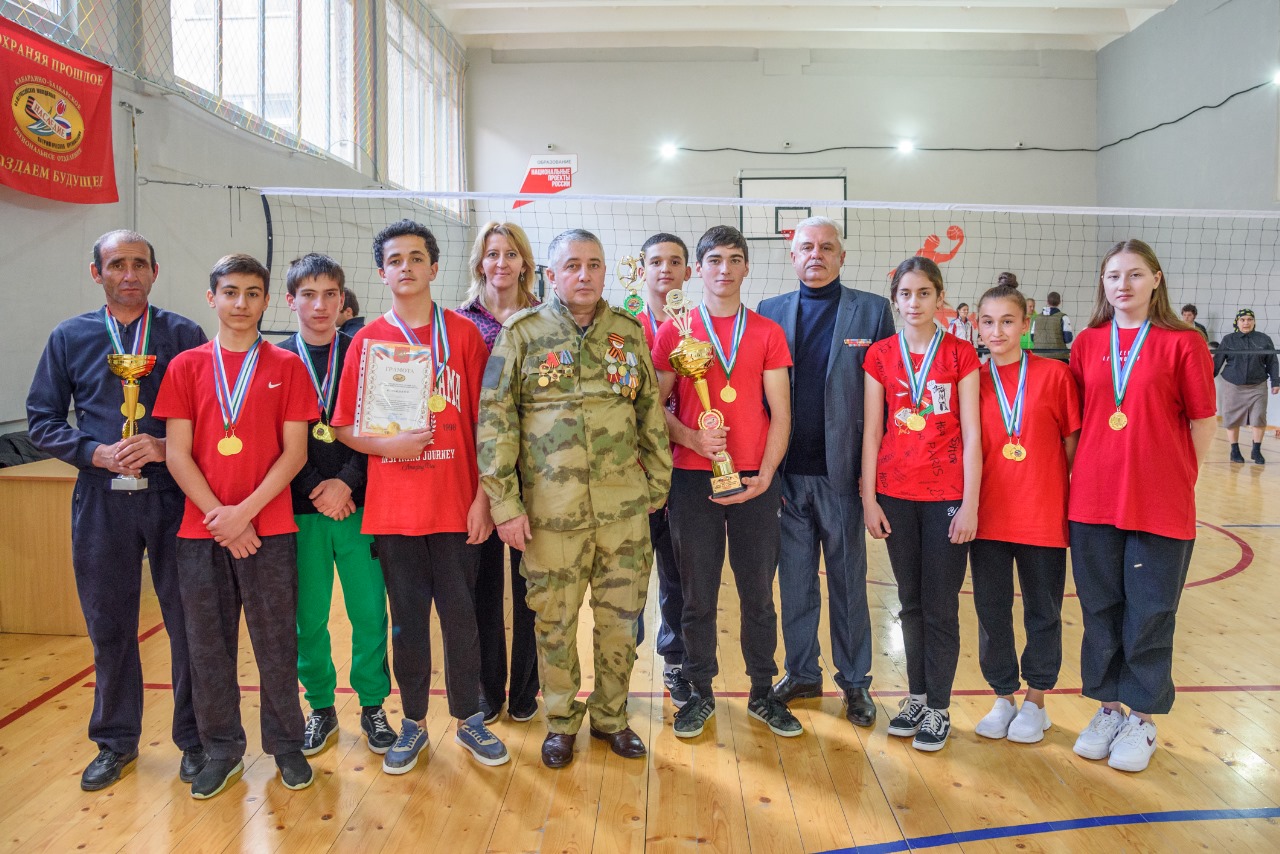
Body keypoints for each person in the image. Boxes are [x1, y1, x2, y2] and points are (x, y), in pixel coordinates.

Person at [478, 228, 672, 769]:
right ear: (552, 274)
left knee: (620, 623)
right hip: (550, 517)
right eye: (572, 266)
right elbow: (495, 422)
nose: (583, 275)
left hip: (624, 514)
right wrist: (505, 505)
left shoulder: (627, 333)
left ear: (606, 271)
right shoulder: (521, 333)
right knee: (554, 624)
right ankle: (561, 720)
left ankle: (612, 717)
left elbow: (649, 415)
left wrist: (657, 485)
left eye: (594, 264)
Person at [26, 230, 208, 792]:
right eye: (116, 264)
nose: (128, 273)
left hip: (173, 495)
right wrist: (94, 451)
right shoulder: (69, 337)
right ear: (96, 273)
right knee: (109, 624)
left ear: (155, 271)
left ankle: (196, 739)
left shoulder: (183, 334)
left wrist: (161, 445)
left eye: (138, 264)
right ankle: (114, 741)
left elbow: (211, 413)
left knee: (188, 623)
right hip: (101, 499)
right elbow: (42, 420)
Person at [331, 219, 509, 774]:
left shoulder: (464, 335)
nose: (405, 267)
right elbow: (343, 427)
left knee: (464, 619)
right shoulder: (365, 339)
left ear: (435, 268)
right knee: (406, 622)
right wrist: (390, 442)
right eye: (394, 259)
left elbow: (489, 424)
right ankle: (411, 722)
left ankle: (469, 719)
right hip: (395, 510)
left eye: (415, 257)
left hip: (457, 505)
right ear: (382, 273)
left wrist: (484, 499)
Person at [155, 253, 317, 799]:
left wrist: (244, 513)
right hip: (201, 533)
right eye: (230, 292)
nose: (241, 303)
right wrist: (220, 518)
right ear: (212, 299)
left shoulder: (288, 366)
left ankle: (287, 745)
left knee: (276, 643)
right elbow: (177, 454)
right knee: (207, 646)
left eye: (252, 293)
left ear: (267, 300)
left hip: (268, 528)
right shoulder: (186, 367)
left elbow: (294, 455)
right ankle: (221, 749)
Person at [1068, 239, 1216, 773]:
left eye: (1134, 275)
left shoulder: (1184, 343)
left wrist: (1179, 478)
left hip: (1160, 503)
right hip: (1092, 499)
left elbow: (1203, 422)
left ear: (1156, 279)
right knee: (1100, 608)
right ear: (1103, 285)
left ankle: (1143, 719)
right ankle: (1107, 708)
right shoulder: (1085, 342)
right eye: (1113, 276)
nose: (1123, 285)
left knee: (1150, 613)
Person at [653, 225, 801, 740]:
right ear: (698, 269)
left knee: (759, 593)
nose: (723, 268)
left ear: (746, 268)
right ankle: (699, 691)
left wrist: (766, 474)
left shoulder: (766, 332)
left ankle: (763, 691)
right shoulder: (675, 329)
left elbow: (780, 414)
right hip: (694, 481)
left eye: (734, 259)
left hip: (755, 483)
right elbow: (654, 407)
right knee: (696, 595)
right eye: (713, 259)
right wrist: (692, 439)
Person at [757, 216, 894, 728]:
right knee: (794, 582)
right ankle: (801, 672)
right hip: (787, 475)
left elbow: (885, 397)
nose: (816, 255)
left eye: (826, 247)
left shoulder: (874, 311)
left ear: (842, 256)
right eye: (806, 247)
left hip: (844, 476)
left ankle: (856, 683)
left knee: (847, 582)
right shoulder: (768, 312)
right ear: (792, 257)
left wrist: (871, 475)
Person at [862, 256, 981, 752]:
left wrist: (971, 504)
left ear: (939, 298)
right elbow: (872, 432)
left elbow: (973, 434)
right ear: (895, 300)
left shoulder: (961, 355)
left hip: (948, 497)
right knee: (909, 602)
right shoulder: (879, 356)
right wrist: (868, 497)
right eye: (906, 294)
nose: (914, 303)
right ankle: (916, 695)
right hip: (895, 492)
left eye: (924, 293)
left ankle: (939, 706)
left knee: (940, 605)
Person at [277, 254, 394, 757]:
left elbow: (381, 427)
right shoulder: (276, 360)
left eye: (330, 295)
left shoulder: (365, 354)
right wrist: (315, 488)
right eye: (309, 295)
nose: (320, 305)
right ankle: (320, 707)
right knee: (309, 617)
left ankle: (373, 706)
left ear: (344, 302)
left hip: (361, 506)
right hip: (300, 510)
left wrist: (346, 482)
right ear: (291, 301)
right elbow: (270, 438)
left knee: (369, 613)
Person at [971, 284, 1080, 744]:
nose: (998, 331)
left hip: (1041, 516)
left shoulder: (1055, 375)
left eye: (1008, 321)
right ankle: (1003, 695)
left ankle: (1037, 700)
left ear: (1026, 323)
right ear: (977, 325)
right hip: (987, 518)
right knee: (991, 611)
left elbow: (1072, 445)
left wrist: (1046, 485)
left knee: (1043, 611)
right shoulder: (970, 379)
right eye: (989, 322)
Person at [456, 221, 541, 723]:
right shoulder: (460, 323)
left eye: (511, 254)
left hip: (534, 475)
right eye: (493, 254)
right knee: (482, 589)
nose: (502, 263)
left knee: (532, 587)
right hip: (477, 476)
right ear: (480, 263)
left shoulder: (544, 320)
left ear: (525, 263)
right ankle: (489, 689)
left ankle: (527, 689)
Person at [636, 232, 694, 708]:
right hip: (632, 475)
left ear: (688, 273)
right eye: (656, 261)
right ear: (642, 271)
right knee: (627, 575)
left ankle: (675, 663)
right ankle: (620, 658)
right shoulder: (620, 329)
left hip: (685, 474)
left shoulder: (700, 328)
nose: (666, 270)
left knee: (677, 576)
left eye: (675, 261)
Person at [1214, 308, 1278, 464]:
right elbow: (1217, 362)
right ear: (1237, 322)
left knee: (1259, 417)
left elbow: (1272, 362)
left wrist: (1276, 382)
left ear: (1254, 322)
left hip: (1258, 385)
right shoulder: (1229, 340)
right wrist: (1206, 380)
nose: (1246, 323)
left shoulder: (1263, 339)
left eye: (1249, 319)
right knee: (1232, 418)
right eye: (1243, 320)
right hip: (1233, 384)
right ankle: (1234, 450)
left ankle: (1256, 450)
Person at [1033, 291, 1073, 362]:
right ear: (1059, 302)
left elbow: (1032, 337)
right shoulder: (1063, 317)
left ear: (1047, 301)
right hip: (1059, 357)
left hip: (1039, 356)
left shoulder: (1037, 318)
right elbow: (1068, 339)